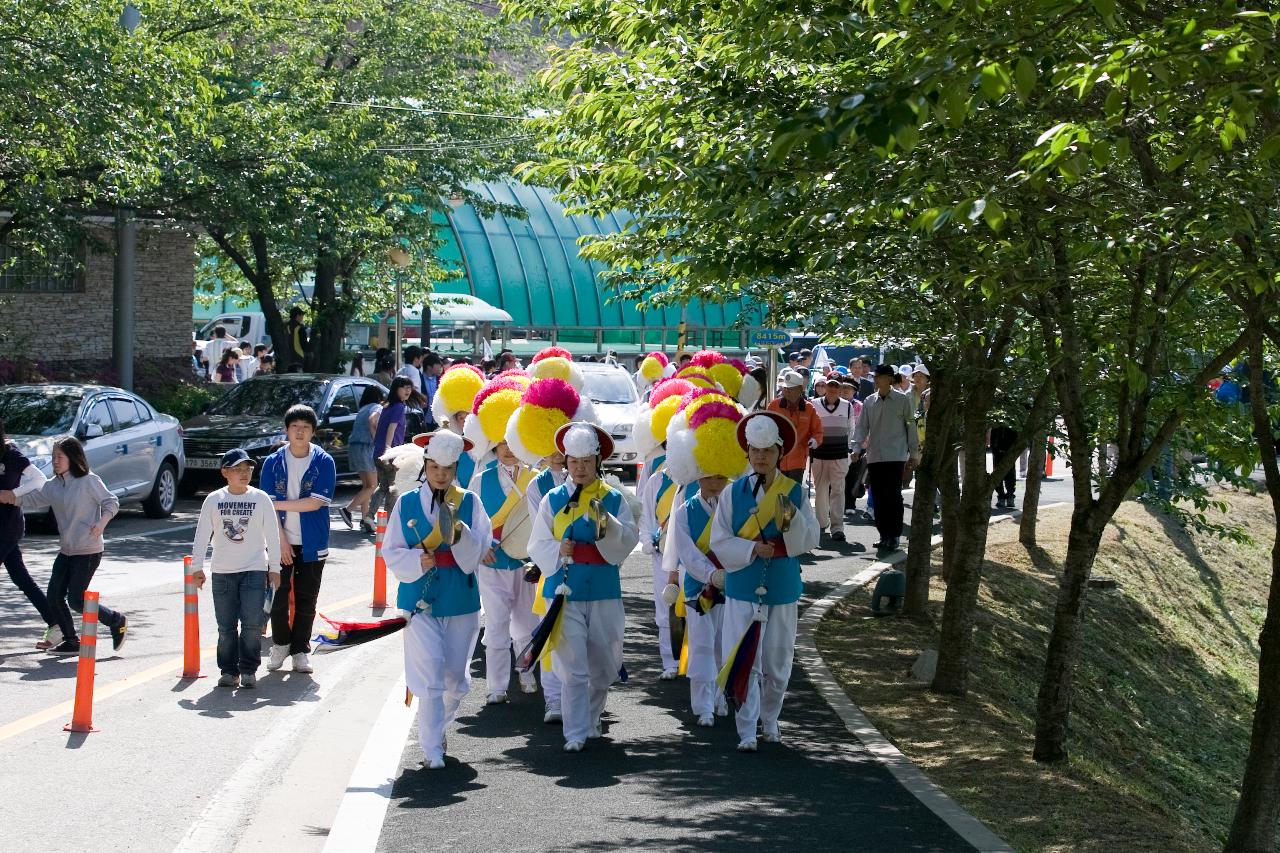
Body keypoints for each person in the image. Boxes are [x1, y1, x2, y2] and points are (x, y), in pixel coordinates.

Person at [710, 411, 819, 751]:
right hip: (743, 587)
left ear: (779, 453)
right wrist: (752, 548)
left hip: (782, 587)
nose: (760, 457)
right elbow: (719, 540)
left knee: (777, 662)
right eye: (755, 451)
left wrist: (789, 528)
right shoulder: (731, 493)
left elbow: (811, 537)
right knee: (744, 659)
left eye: (767, 451)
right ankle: (746, 729)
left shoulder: (795, 492)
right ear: (747, 452)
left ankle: (770, 720)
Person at [527, 423, 639, 752]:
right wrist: (558, 549)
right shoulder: (553, 498)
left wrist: (608, 524)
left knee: (603, 663)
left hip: (604, 588)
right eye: (573, 461)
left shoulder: (614, 498)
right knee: (573, 666)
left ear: (597, 461)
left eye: (586, 462)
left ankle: (592, 719)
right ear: (566, 461)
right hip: (564, 590)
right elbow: (537, 544)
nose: (579, 468)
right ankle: (574, 732)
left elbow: (628, 540)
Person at [382, 430, 490, 769]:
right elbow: (391, 551)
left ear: (456, 467)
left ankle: (439, 731)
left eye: (447, 468)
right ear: (425, 466)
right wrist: (418, 560)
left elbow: (480, 550)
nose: (440, 474)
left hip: (460, 597)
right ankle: (431, 750)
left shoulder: (470, 502)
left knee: (454, 680)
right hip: (419, 599)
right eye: (434, 467)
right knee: (429, 674)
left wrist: (458, 533)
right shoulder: (407, 502)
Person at [1, 437, 128, 655]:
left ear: (73, 458)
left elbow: (111, 502)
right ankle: (71, 641)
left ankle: (116, 620)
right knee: (54, 596)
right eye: (53, 457)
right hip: (66, 550)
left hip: (88, 551)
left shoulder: (89, 481)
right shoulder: (54, 486)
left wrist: (101, 523)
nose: (55, 461)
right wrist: (12, 497)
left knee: (77, 600)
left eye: (60, 457)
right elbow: (34, 499)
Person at [190, 449, 282, 688]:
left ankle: (249, 669)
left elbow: (272, 535)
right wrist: (197, 567)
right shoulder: (214, 500)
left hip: (254, 568)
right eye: (238, 469)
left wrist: (275, 568)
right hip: (222, 571)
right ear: (225, 472)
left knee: (252, 623)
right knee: (226, 626)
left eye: (248, 469)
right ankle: (229, 671)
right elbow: (202, 535)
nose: (244, 474)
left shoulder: (261, 498)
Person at [260, 404, 336, 674]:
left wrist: (277, 505)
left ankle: (301, 650)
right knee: (278, 596)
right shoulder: (273, 462)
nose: (300, 432)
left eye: (305, 427)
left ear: (313, 432)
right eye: (295, 427)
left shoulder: (324, 461)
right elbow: (266, 504)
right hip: (279, 537)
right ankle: (280, 644)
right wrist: (279, 540)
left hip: (313, 540)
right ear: (287, 430)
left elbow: (315, 503)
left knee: (307, 597)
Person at [470, 440, 540, 703]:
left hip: (527, 564)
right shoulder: (480, 479)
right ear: (493, 447)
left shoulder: (536, 478)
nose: (508, 450)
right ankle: (496, 687)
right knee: (497, 623)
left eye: (514, 443)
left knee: (526, 623)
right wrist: (482, 545)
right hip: (492, 563)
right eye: (502, 444)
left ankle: (526, 672)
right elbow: (471, 519)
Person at [0, 418, 58, 648]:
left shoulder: (11, 454)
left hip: (6, 527)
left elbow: (39, 479)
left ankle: (58, 625)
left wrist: (14, 493)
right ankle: (57, 624)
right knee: (21, 578)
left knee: (21, 578)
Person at [852, 365, 920, 555]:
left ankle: (895, 535)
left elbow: (911, 427)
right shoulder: (869, 401)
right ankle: (883, 535)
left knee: (893, 496)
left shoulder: (902, 400)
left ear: (890, 379)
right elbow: (862, 427)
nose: (876, 379)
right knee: (879, 497)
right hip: (875, 456)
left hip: (896, 455)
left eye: (881, 376)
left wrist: (913, 453)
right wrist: (857, 448)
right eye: (876, 376)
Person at [638, 458, 686, 680]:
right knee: (665, 605)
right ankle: (670, 661)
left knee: (697, 608)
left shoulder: (698, 479)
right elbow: (646, 514)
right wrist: (649, 542)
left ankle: (693, 661)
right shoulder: (657, 480)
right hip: (662, 555)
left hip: (692, 557)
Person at [811, 375, 857, 541]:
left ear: (840, 388)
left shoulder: (847, 406)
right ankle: (822, 523)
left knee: (838, 491)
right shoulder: (814, 404)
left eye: (836, 386)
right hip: (819, 455)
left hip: (839, 455)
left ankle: (837, 528)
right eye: (830, 385)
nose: (833, 389)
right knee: (821, 490)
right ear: (825, 385)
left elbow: (851, 429)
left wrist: (848, 449)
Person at [369, 377, 414, 523]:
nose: (407, 390)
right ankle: (389, 521)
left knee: (383, 486)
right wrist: (388, 452)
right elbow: (391, 428)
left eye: (409, 387)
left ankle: (369, 516)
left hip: (378, 452)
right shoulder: (399, 407)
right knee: (392, 488)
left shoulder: (387, 406)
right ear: (396, 389)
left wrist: (381, 448)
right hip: (390, 453)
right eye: (404, 387)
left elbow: (376, 424)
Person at [766, 369, 823, 483]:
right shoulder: (774, 405)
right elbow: (766, 426)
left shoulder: (809, 408)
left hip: (798, 460)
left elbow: (818, 431)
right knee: (775, 493)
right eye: (785, 388)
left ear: (800, 389)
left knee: (792, 493)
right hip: (776, 458)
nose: (787, 391)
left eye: (790, 389)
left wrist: (815, 441)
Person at [341, 385, 384, 531]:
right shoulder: (377, 407)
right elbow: (373, 421)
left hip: (354, 447)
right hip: (367, 447)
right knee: (373, 486)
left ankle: (366, 519)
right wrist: (377, 440)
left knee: (366, 486)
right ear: (379, 397)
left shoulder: (362, 409)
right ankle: (348, 510)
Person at [421, 354, 443, 430]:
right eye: (437, 365)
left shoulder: (440, 379)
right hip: (424, 419)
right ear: (429, 367)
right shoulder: (419, 378)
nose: (439, 368)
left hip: (437, 419)